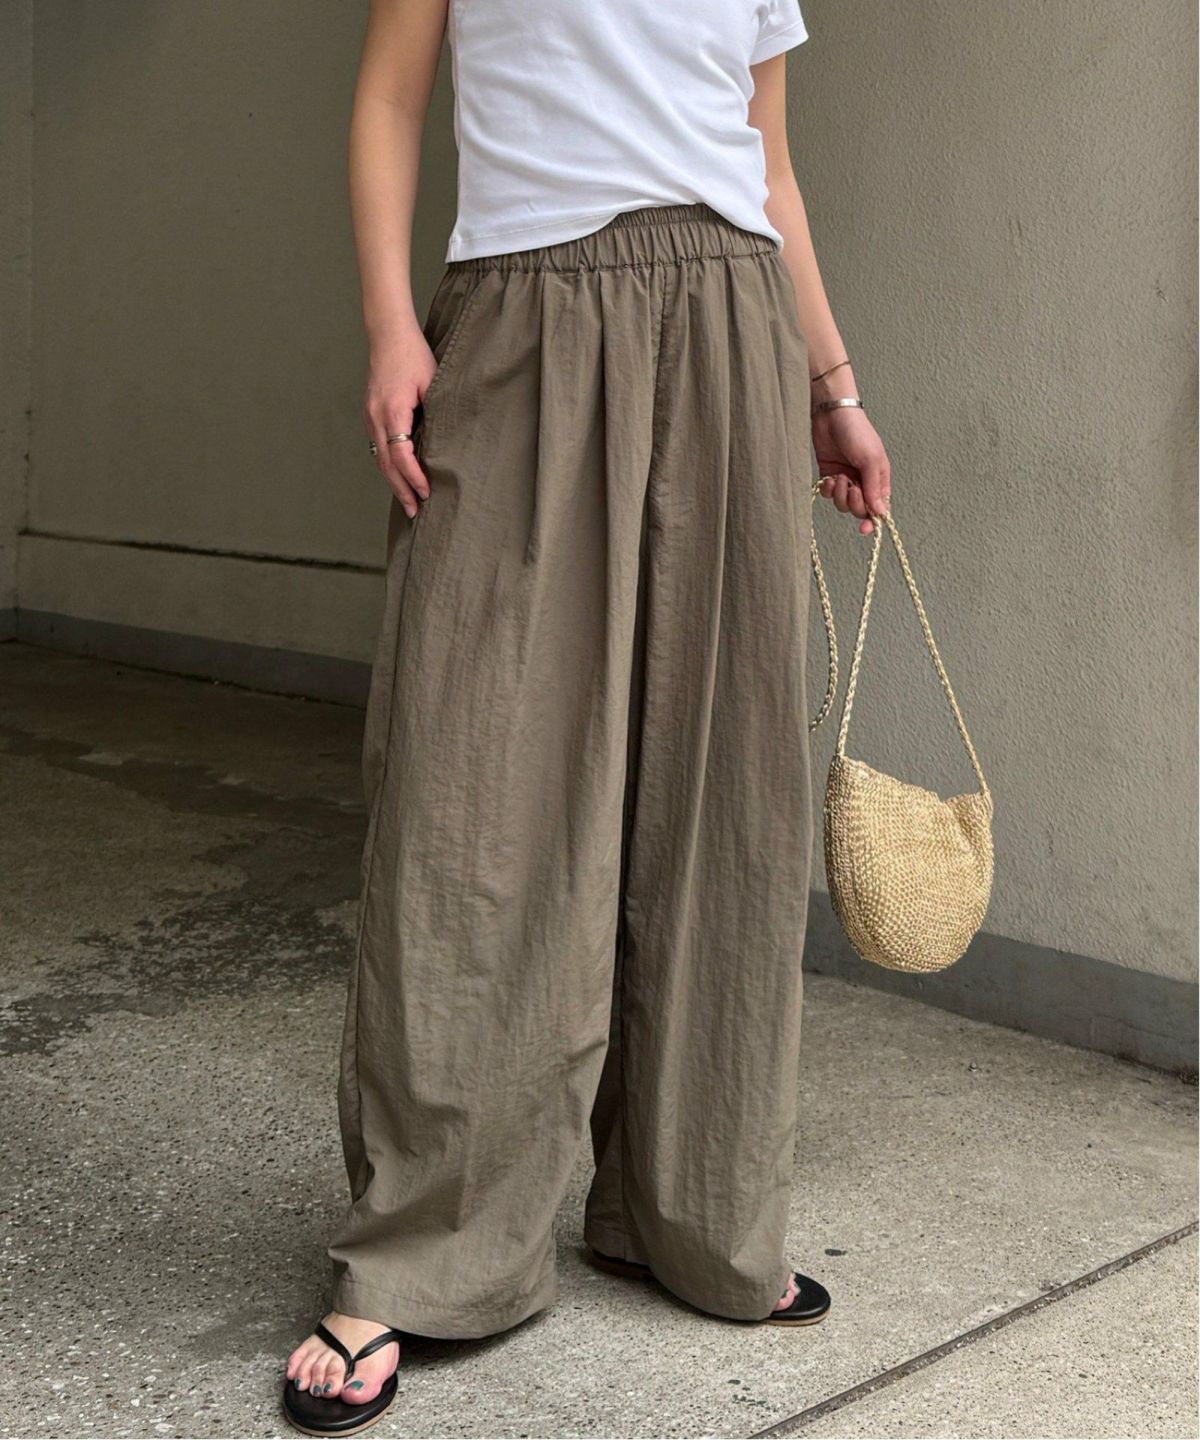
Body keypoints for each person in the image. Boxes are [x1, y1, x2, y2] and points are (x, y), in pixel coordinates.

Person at [283, 0, 892, 1432]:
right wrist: (390, 326)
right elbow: (387, 102)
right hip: (523, 312)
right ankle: (423, 1248)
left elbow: (767, 164)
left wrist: (833, 386)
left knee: (718, 783)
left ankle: (692, 1213)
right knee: (477, 791)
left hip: (733, 325)